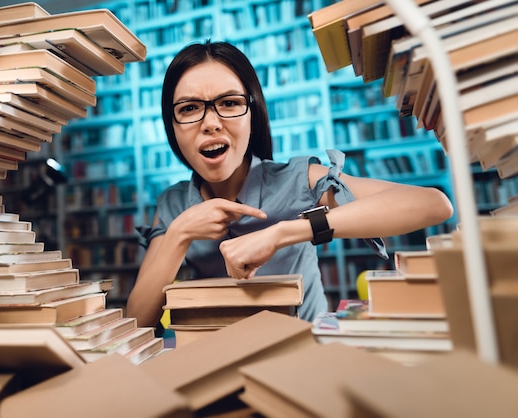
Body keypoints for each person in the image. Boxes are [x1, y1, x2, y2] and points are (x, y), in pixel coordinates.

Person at [126, 40, 454, 327]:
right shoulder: (173, 205)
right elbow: (137, 319)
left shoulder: (297, 179)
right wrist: (180, 233)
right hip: (220, 365)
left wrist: (286, 231)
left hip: (305, 357)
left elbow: (433, 205)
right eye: (189, 108)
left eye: (229, 103)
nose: (211, 123)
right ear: (173, 127)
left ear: (253, 114)